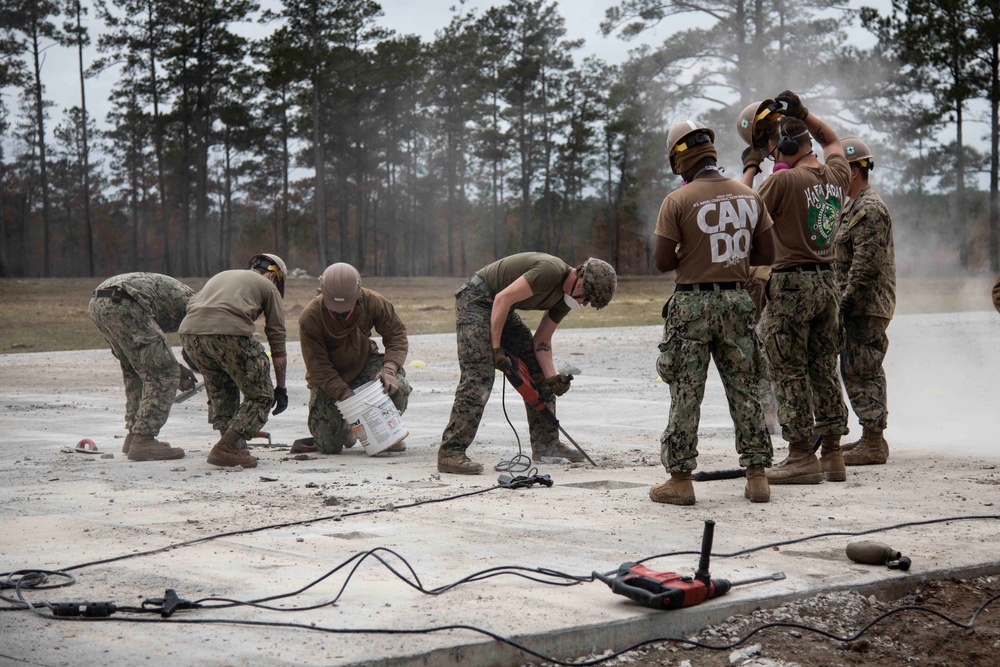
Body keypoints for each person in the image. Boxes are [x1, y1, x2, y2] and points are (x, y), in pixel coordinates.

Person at [650, 120, 775, 506]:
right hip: (737, 301)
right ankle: (757, 476)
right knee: (745, 389)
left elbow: (661, 262)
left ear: (678, 159)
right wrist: (730, 257)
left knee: (686, 393)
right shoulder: (748, 196)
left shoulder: (677, 201)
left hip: (692, 305)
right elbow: (768, 253)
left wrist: (694, 253)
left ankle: (680, 480)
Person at [739, 91, 851, 485]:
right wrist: (805, 114)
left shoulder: (783, 180)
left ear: (785, 146)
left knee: (787, 371)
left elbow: (742, 209)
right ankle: (833, 453)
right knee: (823, 368)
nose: (773, 155)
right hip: (827, 280)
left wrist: (751, 166)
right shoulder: (837, 176)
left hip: (790, 284)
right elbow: (833, 140)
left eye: (774, 149)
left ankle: (802, 454)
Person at [437, 253, 617, 475]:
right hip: (477, 300)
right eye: (586, 299)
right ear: (581, 283)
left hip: (501, 308)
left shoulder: (565, 299)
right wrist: (496, 349)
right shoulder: (550, 271)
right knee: (480, 376)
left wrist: (551, 377)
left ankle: (547, 445)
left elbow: (542, 340)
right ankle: (451, 452)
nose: (584, 304)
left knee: (538, 372)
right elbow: (503, 298)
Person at [179, 254, 289, 468]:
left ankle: (232, 445)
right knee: (261, 396)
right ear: (274, 276)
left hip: (189, 336)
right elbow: (277, 339)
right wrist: (281, 388)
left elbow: (193, 308)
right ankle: (226, 447)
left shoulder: (221, 276)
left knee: (222, 388)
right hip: (228, 334)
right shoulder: (269, 287)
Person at [298, 262, 411, 455]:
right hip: (329, 378)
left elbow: (396, 334)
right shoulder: (311, 317)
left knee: (397, 386)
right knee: (328, 446)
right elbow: (319, 367)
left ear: (357, 293)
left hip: (364, 364)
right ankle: (348, 429)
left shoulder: (372, 301)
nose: (341, 312)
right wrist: (347, 397)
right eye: (335, 309)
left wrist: (389, 369)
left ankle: (388, 432)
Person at [88, 273, 195, 461]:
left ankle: (133, 435)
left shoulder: (187, 298)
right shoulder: (198, 310)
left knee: (134, 370)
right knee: (165, 374)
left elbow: (147, 358)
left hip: (99, 303)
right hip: (128, 303)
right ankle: (144, 440)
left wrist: (177, 367)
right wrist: (183, 371)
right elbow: (196, 350)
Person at [835, 136, 896, 466]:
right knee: (854, 368)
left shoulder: (868, 208)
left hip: (865, 306)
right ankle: (870, 436)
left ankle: (874, 442)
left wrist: (845, 302)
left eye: (839, 170)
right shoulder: (853, 206)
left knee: (863, 370)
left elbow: (866, 264)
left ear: (854, 171)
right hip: (859, 304)